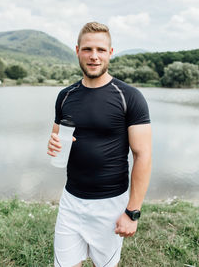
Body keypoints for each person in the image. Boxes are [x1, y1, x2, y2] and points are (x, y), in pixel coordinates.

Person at [47, 22, 152, 267]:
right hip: (71, 200)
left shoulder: (129, 97)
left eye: (101, 50)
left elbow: (143, 155)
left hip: (110, 204)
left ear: (110, 52)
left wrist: (132, 212)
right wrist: (52, 145)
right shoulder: (65, 96)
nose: (94, 56)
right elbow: (56, 141)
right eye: (87, 49)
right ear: (77, 50)